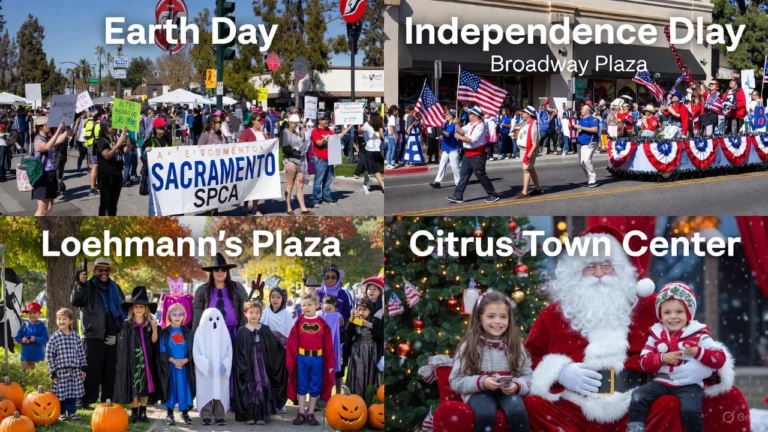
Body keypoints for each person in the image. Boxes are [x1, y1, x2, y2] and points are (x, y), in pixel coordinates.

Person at [522, 224, 744, 432]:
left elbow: (693, 333)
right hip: (574, 406)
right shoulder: (554, 314)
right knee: (533, 405)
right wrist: (559, 371)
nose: (599, 273)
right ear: (577, 272)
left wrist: (701, 366)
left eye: (606, 265)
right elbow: (529, 358)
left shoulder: (651, 306)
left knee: (667, 404)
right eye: (590, 266)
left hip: (636, 404)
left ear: (619, 270)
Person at [629, 282, 727, 432]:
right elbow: (644, 362)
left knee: (690, 410)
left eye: (679, 312)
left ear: (688, 314)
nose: (673, 317)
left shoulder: (699, 334)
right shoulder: (655, 334)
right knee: (638, 396)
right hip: (662, 382)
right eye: (667, 312)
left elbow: (719, 359)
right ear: (660, 315)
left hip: (689, 384)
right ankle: (636, 429)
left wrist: (697, 352)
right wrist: (662, 358)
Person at [450, 292, 532, 432]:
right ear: (479, 318)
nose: (498, 321)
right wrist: (482, 382)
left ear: (509, 320)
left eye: (503, 317)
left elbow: (528, 376)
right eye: (491, 316)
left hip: (508, 392)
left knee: (517, 412)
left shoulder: (515, 345)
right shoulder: (469, 346)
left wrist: (516, 386)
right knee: (485, 415)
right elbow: (456, 381)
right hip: (479, 392)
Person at [71, 259, 125, 409]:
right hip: (93, 334)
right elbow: (77, 301)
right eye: (100, 270)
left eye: (106, 270)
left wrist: (117, 334)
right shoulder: (87, 286)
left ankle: (108, 400)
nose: (103, 273)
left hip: (111, 335)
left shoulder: (115, 288)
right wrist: (80, 285)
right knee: (91, 370)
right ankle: (86, 399)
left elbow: (122, 311)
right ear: (95, 271)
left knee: (110, 370)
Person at [113, 286, 163, 424]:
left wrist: (154, 329)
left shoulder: (149, 324)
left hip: (147, 361)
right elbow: (123, 345)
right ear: (132, 308)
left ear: (146, 309)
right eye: (136, 306)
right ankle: (134, 413)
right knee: (134, 386)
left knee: (145, 386)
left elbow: (154, 341)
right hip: (132, 361)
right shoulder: (127, 324)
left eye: (141, 306)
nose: (139, 309)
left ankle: (143, 412)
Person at [234, 301, 288, 425]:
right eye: (251, 312)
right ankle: (250, 415)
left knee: (262, 386)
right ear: (245, 314)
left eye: (257, 313)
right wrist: (243, 367)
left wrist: (286, 350)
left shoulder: (265, 329)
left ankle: (262, 415)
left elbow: (274, 348)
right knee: (250, 388)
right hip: (248, 365)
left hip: (263, 365)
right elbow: (238, 352)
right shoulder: (242, 331)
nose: (254, 315)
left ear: (261, 315)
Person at [286, 293, 335, 426]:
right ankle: (301, 413)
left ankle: (311, 413)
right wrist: (291, 360)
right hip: (302, 358)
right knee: (302, 385)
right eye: (303, 305)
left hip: (318, 359)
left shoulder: (322, 324)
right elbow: (292, 342)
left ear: (317, 306)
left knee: (315, 385)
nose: (306, 307)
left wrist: (330, 363)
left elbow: (329, 345)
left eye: (309, 305)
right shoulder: (299, 323)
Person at [447, 106, 499, 204]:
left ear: (475, 115)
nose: (468, 115)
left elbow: (470, 139)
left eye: (470, 114)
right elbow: (461, 131)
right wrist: (456, 124)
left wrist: (459, 137)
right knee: (463, 176)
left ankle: (493, 194)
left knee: (481, 175)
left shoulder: (480, 126)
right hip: (468, 154)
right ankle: (458, 196)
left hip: (477, 155)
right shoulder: (470, 124)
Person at [192, 253, 248, 343]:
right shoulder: (202, 290)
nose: (220, 272)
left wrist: (242, 330)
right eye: (217, 269)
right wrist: (195, 336)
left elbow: (245, 308)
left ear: (227, 272)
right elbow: (197, 314)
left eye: (224, 269)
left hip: (233, 334)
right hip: (209, 335)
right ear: (212, 272)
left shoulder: (237, 287)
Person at [158, 303, 195, 426]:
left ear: (184, 316)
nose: (177, 316)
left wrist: (186, 360)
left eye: (180, 314)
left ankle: (185, 413)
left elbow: (192, 349)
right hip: (170, 367)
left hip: (184, 367)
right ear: (169, 316)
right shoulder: (165, 332)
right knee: (171, 388)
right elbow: (162, 349)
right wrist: (172, 360)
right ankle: (169, 414)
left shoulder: (188, 332)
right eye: (174, 314)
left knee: (184, 388)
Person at [46, 308, 87, 422]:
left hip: (74, 370)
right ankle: (61, 412)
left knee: (72, 392)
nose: (61, 321)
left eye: (64, 319)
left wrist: (83, 368)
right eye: (59, 319)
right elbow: (49, 355)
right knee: (60, 393)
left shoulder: (75, 336)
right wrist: (52, 373)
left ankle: (71, 411)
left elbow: (80, 353)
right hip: (60, 371)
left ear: (71, 321)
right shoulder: (55, 338)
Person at [194, 308, 233, 426]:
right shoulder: (200, 332)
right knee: (205, 389)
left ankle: (219, 415)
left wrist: (226, 364)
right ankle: (206, 414)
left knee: (219, 390)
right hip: (206, 369)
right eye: (210, 319)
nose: (214, 322)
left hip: (220, 369)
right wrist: (203, 363)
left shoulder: (224, 334)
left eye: (217, 319)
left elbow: (229, 351)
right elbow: (196, 351)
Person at [344, 298, 383, 397]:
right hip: (357, 351)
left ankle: (369, 398)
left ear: (370, 310)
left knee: (370, 374)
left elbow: (380, 336)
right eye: (359, 309)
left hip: (371, 351)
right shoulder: (355, 321)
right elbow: (347, 334)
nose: (361, 312)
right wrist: (352, 321)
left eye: (364, 310)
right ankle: (356, 397)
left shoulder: (375, 320)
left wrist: (370, 326)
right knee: (358, 374)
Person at [311, 111, 351, 206]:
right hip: (320, 159)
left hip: (330, 159)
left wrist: (348, 128)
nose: (327, 121)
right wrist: (327, 139)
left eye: (327, 119)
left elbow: (337, 138)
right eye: (324, 119)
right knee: (318, 180)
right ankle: (316, 200)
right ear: (319, 121)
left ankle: (327, 197)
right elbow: (319, 143)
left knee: (328, 180)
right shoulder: (315, 131)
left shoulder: (329, 130)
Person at [32, 117, 67, 216]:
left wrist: (66, 127)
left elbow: (61, 138)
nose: (50, 126)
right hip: (43, 175)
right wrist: (58, 131)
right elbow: (46, 147)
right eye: (47, 124)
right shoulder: (38, 140)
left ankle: (45, 225)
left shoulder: (47, 138)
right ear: (41, 127)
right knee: (42, 207)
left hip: (51, 174)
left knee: (50, 206)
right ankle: (39, 226)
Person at [239, 111, 270, 215]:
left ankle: (255, 207)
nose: (260, 122)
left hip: (260, 164)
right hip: (250, 163)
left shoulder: (262, 133)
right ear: (253, 121)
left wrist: (268, 138)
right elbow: (241, 144)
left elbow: (269, 146)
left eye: (261, 120)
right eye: (258, 120)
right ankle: (245, 206)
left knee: (258, 185)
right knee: (248, 185)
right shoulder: (247, 132)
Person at [282, 114, 314, 215]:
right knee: (290, 185)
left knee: (300, 185)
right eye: (293, 123)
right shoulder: (285, 132)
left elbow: (302, 141)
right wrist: (296, 152)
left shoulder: (297, 132)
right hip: (291, 161)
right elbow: (285, 148)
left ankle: (303, 207)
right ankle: (288, 206)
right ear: (289, 123)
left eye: (296, 123)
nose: (295, 125)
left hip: (300, 160)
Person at [95, 121, 127, 216]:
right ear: (105, 129)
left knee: (114, 203)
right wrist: (117, 145)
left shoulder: (116, 139)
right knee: (105, 203)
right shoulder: (101, 141)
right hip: (106, 175)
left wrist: (126, 135)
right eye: (111, 126)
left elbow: (126, 150)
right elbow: (107, 155)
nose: (114, 127)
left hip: (117, 174)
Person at [141, 117, 170, 216]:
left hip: (165, 174)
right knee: (153, 198)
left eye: (164, 128)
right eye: (161, 128)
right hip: (152, 175)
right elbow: (142, 156)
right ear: (155, 129)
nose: (163, 130)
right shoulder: (149, 141)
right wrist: (146, 151)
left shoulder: (166, 140)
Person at [515, 106, 543, 199]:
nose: (522, 114)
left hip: (528, 150)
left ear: (529, 114)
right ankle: (538, 188)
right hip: (523, 149)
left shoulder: (533, 124)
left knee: (526, 170)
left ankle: (524, 192)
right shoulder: (525, 123)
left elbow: (535, 141)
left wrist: (531, 152)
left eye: (524, 113)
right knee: (530, 169)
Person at [430, 111, 460, 188]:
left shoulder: (454, 126)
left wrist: (440, 128)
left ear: (452, 116)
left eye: (448, 115)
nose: (446, 116)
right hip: (446, 149)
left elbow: (447, 134)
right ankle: (437, 182)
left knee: (454, 167)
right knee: (442, 166)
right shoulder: (445, 124)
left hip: (453, 149)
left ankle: (459, 182)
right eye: (446, 115)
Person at [14, 301, 48, 370]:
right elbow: (17, 337)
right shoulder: (24, 325)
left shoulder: (42, 326)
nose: (32, 315)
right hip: (25, 356)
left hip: (37, 356)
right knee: (26, 375)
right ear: (27, 314)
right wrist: (22, 340)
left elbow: (45, 339)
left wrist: (35, 339)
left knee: (36, 375)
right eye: (30, 313)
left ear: (39, 314)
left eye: (34, 312)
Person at [321, 296, 344, 394]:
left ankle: (338, 393)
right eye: (325, 308)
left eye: (329, 309)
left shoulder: (337, 316)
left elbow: (341, 323)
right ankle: (321, 394)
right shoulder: (319, 314)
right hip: (321, 344)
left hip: (333, 343)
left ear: (334, 308)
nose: (327, 310)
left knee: (334, 370)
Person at [575, 104, 601, 187]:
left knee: (586, 160)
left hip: (591, 142)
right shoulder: (581, 120)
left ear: (587, 110)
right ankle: (589, 179)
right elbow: (580, 129)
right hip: (583, 144)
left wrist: (581, 127)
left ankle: (593, 179)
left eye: (583, 109)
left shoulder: (593, 119)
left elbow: (595, 130)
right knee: (582, 163)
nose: (581, 110)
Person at [362, 113, 386, 194]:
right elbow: (360, 130)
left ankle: (381, 185)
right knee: (374, 169)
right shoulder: (374, 126)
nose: (368, 117)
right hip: (372, 150)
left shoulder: (371, 126)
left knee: (375, 169)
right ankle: (382, 185)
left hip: (374, 150)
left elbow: (380, 136)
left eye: (369, 116)